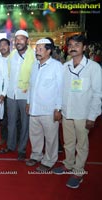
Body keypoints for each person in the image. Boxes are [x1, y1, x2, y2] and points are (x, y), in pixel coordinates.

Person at [52, 34, 102, 189]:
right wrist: (58, 108)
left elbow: (97, 93)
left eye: (77, 45)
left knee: (82, 144)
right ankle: (68, 163)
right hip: (67, 112)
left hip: (83, 113)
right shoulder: (65, 66)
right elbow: (59, 90)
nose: (73, 48)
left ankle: (79, 172)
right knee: (68, 142)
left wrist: (92, 116)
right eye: (71, 45)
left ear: (84, 48)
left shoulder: (93, 67)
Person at [25, 38, 63, 172]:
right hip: (34, 108)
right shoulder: (35, 65)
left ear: (49, 51)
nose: (37, 51)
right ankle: (36, 155)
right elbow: (31, 86)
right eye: (37, 49)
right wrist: (29, 102)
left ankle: (49, 160)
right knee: (35, 135)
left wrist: (58, 108)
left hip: (49, 110)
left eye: (41, 49)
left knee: (51, 137)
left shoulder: (57, 66)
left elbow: (60, 88)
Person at [0, 30, 36, 161]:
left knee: (25, 124)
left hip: (25, 95)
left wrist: (30, 98)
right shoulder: (12, 55)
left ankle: (21, 149)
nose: (18, 41)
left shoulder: (33, 56)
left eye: (21, 39)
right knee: (11, 122)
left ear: (27, 40)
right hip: (11, 94)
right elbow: (7, 75)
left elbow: (34, 79)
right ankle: (10, 145)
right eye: (16, 39)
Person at [0, 38, 11, 145]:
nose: (3, 47)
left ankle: (14, 138)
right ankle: (3, 137)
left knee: (14, 117)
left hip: (12, 92)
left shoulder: (14, 58)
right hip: (0, 93)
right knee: (2, 117)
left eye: (5, 45)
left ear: (9, 46)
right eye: (1, 45)